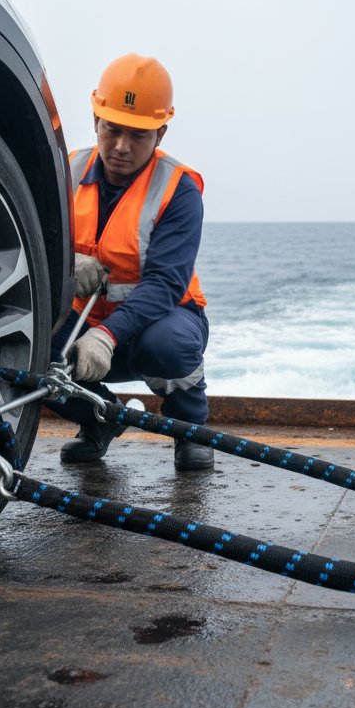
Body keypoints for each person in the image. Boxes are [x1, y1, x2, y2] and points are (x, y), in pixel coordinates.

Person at [50, 53, 213, 471]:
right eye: (112, 129)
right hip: (81, 319)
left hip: (158, 321)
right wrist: (68, 266)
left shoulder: (178, 190)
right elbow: (37, 249)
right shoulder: (66, 171)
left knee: (169, 346)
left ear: (160, 132)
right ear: (95, 122)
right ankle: (99, 419)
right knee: (23, 350)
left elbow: (164, 284)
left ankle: (189, 428)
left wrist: (105, 336)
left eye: (138, 135)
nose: (121, 146)